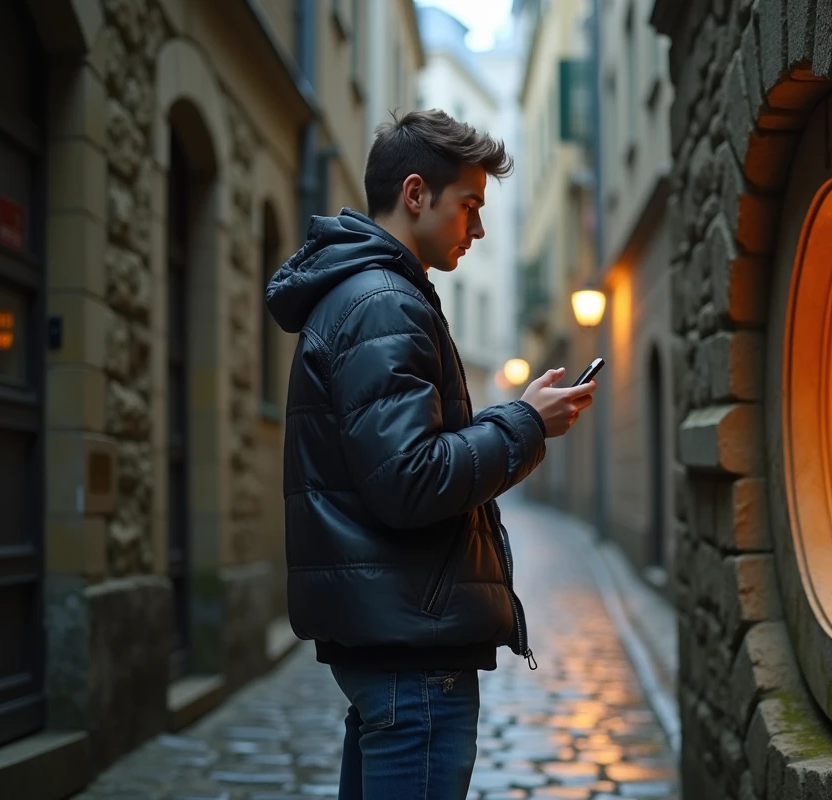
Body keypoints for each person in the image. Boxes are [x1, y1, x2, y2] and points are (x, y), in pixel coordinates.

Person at [265, 109, 597, 799]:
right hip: (413, 653)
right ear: (416, 194)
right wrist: (526, 425)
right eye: (469, 206)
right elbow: (410, 479)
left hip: (394, 637)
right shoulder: (384, 301)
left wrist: (520, 418)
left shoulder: (370, 293)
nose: (477, 228)